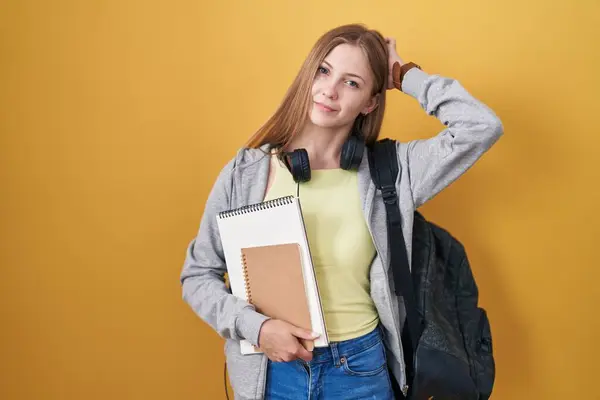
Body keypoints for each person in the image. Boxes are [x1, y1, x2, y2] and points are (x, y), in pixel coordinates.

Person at [180, 23, 503, 400]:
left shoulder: (394, 172)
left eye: (352, 82)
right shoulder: (247, 173)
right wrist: (257, 328)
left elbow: (481, 127)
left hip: (360, 370)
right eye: (324, 70)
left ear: (370, 101)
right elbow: (197, 276)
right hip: (272, 374)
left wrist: (406, 75)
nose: (329, 91)